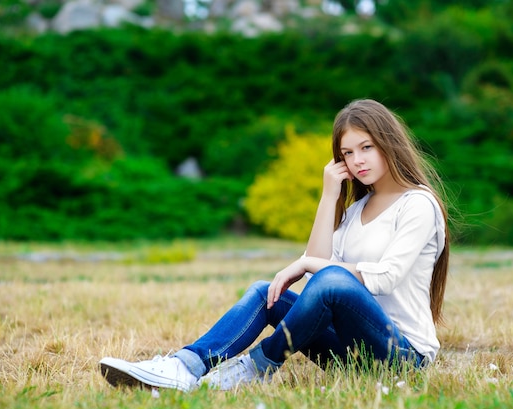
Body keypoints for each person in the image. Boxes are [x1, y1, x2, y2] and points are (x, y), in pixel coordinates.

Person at [99, 98, 450, 392]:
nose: (357, 160)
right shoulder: (357, 209)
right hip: (350, 354)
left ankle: (257, 365)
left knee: (329, 280)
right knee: (265, 292)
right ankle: (184, 367)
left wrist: (306, 265)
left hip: (400, 357)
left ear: (388, 142)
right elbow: (320, 264)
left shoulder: (417, 204)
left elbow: (381, 277)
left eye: (366, 147)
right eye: (347, 153)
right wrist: (330, 196)